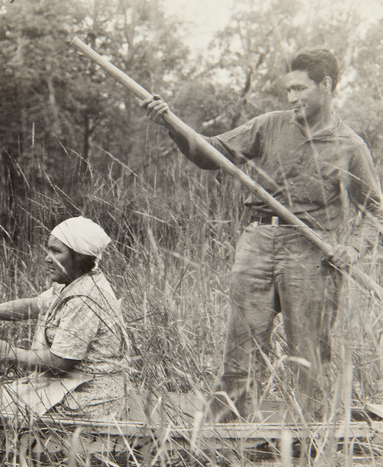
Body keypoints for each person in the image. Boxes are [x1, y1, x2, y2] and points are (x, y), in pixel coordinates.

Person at [141, 48, 381, 422]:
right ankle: (228, 436)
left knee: (310, 353)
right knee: (242, 347)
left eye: (300, 89)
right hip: (257, 244)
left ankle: (310, 439)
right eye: (288, 90)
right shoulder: (268, 125)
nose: (292, 98)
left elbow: (375, 210)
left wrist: (352, 247)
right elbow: (211, 152)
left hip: (313, 253)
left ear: (327, 86)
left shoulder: (350, 147)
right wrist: (171, 122)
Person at [0, 216, 129, 420]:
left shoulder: (86, 297)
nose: (47, 258)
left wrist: (10, 353)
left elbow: (60, 362)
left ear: (79, 257)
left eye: (56, 251)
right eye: (49, 249)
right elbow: (33, 306)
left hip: (88, 397)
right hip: (68, 385)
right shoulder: (71, 283)